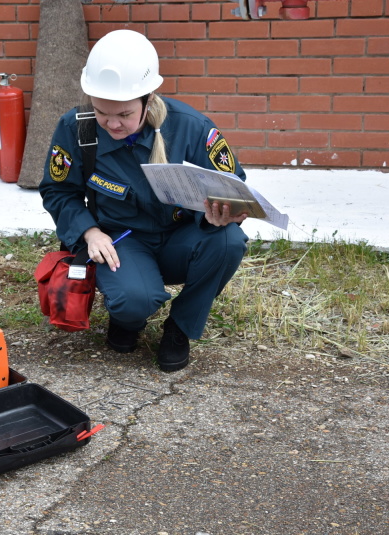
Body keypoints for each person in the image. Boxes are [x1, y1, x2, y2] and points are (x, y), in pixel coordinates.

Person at [39, 29, 249, 372]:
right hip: (123, 241)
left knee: (229, 242)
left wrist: (225, 213)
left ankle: (179, 327)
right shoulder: (77, 128)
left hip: (182, 238)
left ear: (148, 100)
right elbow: (58, 190)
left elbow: (234, 186)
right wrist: (90, 233)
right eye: (102, 112)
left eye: (123, 114)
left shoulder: (191, 127)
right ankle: (128, 318)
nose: (111, 123)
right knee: (133, 301)